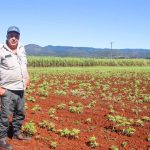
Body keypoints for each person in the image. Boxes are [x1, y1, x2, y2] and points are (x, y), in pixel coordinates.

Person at [0, 26, 30, 150]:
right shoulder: (1, 50)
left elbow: (25, 64)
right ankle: (1, 138)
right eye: (11, 35)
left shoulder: (22, 49)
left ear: (19, 37)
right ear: (7, 36)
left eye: (16, 35)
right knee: (5, 115)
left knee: (20, 113)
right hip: (7, 89)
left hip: (20, 89)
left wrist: (27, 76)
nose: (14, 38)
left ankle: (16, 132)